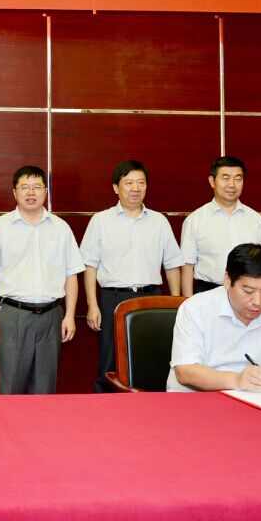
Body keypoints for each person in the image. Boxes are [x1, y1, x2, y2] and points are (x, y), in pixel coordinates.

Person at [0, 165, 84, 395]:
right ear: (14, 192)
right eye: (25, 187)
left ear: (46, 191)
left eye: (37, 187)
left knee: (45, 389)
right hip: (13, 315)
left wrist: (70, 315)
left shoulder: (61, 228)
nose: (31, 192)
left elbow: (71, 275)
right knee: (11, 386)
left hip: (51, 316)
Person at [81, 159, 183, 392]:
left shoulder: (159, 221)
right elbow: (90, 266)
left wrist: (174, 303)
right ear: (116, 188)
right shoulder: (101, 221)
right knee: (109, 361)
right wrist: (92, 305)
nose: (135, 188)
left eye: (141, 183)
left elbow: (172, 265)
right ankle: (105, 408)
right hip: (113, 298)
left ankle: (152, 407)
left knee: (153, 358)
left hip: (151, 298)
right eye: (129, 183)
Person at [167, 243, 261, 392]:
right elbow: (185, 372)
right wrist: (237, 380)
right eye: (248, 291)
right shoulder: (196, 309)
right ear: (228, 281)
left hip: (254, 400)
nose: (257, 301)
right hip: (195, 399)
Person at [180, 156, 261, 297]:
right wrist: (188, 303)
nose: (232, 184)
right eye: (225, 178)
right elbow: (187, 267)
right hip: (208, 293)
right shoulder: (195, 220)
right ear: (212, 181)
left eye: (238, 179)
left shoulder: (256, 219)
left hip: (250, 294)